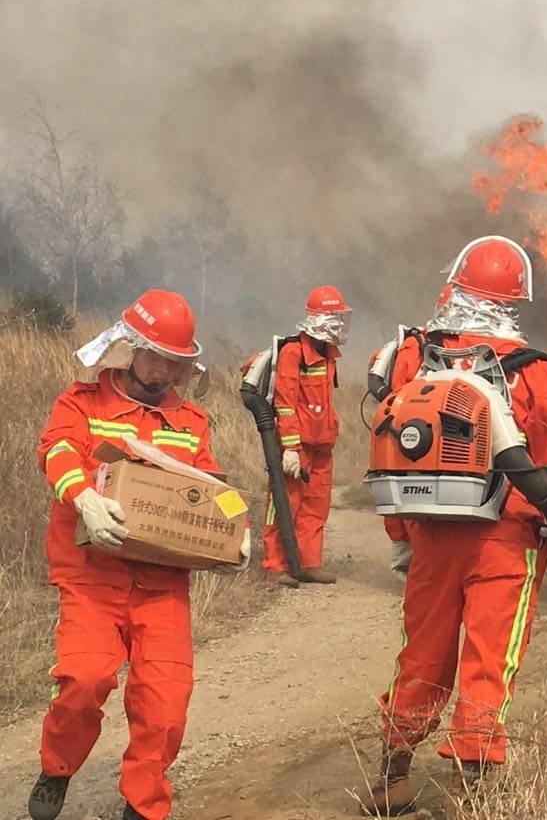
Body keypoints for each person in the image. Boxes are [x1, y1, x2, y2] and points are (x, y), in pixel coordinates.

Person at [361, 237, 547, 816]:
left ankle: (390, 780)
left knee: (422, 656)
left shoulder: (414, 356)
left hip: (429, 532)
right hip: (506, 539)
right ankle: (470, 794)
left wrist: (402, 536)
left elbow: (390, 443)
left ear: (455, 283)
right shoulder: (536, 370)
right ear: (515, 297)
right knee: (490, 661)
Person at [29, 290, 248, 820]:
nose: (170, 372)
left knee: (166, 706)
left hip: (161, 584)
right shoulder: (82, 402)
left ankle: (142, 803)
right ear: (133, 347)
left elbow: (208, 482)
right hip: (91, 578)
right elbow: (55, 448)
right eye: (162, 359)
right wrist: (82, 496)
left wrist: (233, 527)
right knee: (84, 681)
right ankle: (57, 767)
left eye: (180, 363)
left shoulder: (191, 420)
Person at [262, 284, 350, 588]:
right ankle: (275, 564)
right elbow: (284, 404)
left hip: (322, 445)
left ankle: (308, 563)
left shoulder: (328, 355)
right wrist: (289, 448)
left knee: (316, 505)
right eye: (335, 318)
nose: (340, 325)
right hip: (296, 447)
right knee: (285, 502)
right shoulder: (293, 353)